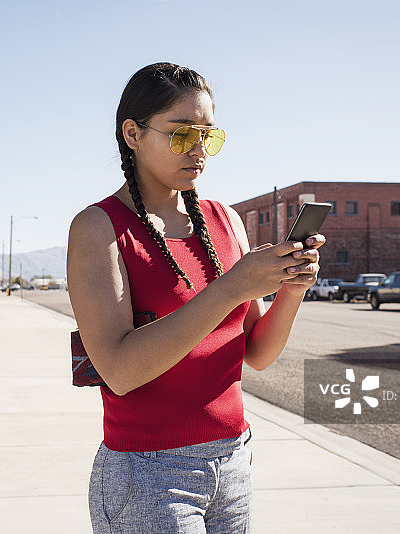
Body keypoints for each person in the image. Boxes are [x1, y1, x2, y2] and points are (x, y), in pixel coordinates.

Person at [66, 62, 324, 533]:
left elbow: (258, 354)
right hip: (148, 473)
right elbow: (119, 372)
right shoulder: (98, 228)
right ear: (133, 133)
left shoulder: (225, 221)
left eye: (209, 134)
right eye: (183, 133)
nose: (200, 149)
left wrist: (291, 288)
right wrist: (232, 286)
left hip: (234, 462)